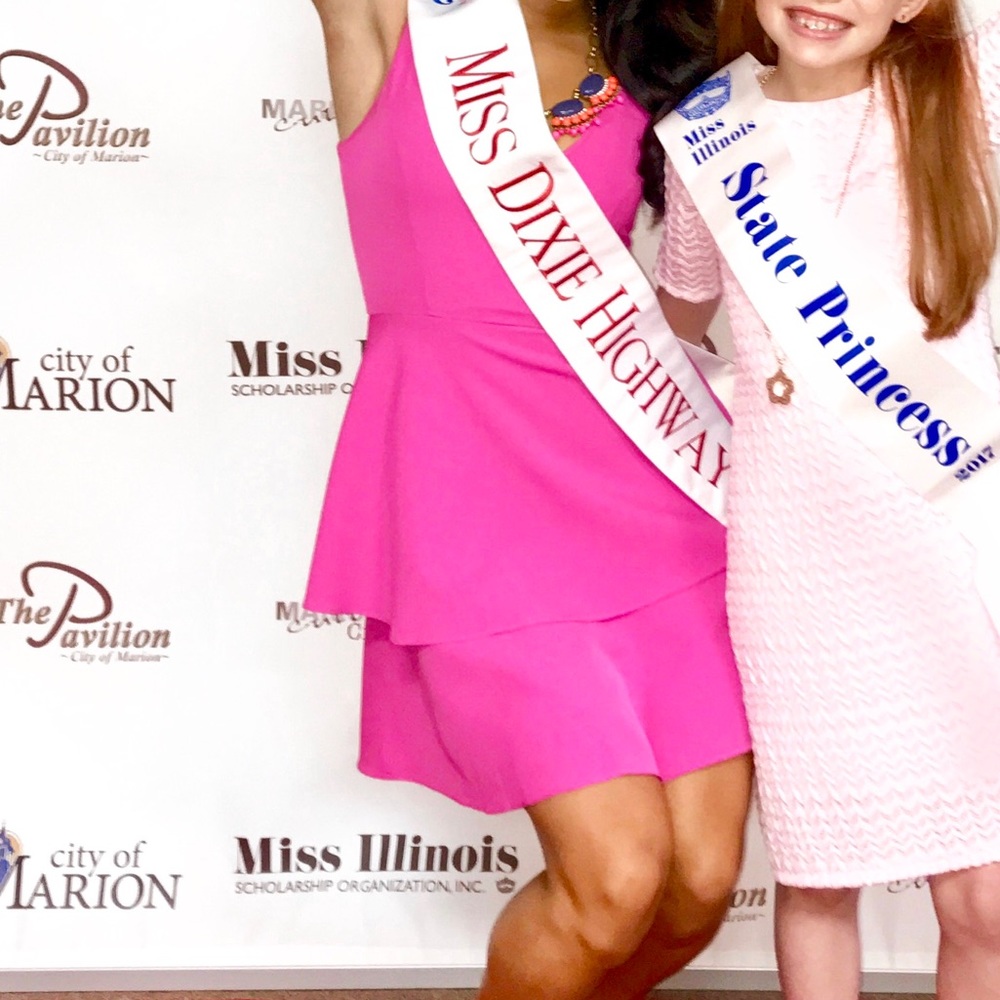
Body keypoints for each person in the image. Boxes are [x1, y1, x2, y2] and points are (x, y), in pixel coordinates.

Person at [304, 0, 753, 995]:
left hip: (651, 493)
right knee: (614, 876)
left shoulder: (642, 45)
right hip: (466, 503)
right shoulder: (392, 22)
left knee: (697, 886)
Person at [655, 0, 1000, 997]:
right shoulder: (706, 137)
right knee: (817, 882)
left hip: (947, 535)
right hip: (792, 562)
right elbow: (675, 327)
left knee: (982, 894)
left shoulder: (959, 100)